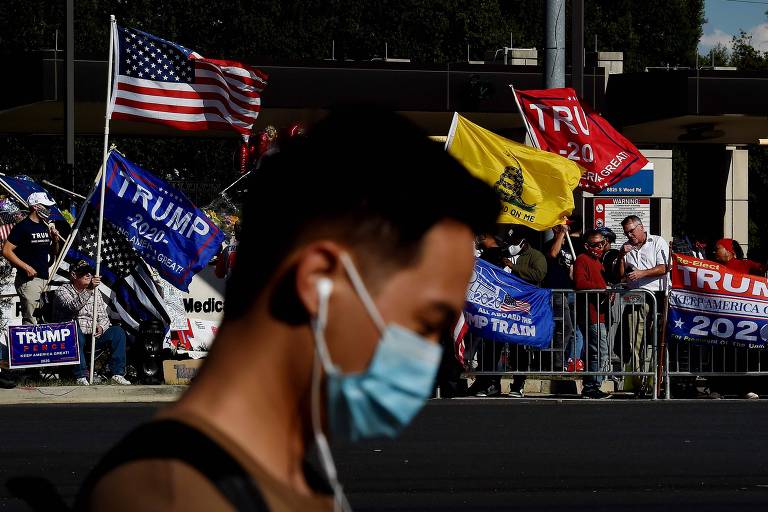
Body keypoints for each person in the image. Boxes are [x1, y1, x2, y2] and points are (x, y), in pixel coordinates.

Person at [75, 108, 499, 511]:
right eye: (423, 320)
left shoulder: (292, 480)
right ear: (319, 281)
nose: (427, 355)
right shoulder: (173, 497)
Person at [52, 260, 131, 386]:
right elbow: (72, 307)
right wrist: (88, 290)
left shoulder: (96, 292)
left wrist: (101, 327)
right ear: (73, 275)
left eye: (90, 272)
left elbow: (104, 317)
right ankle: (81, 375)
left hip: (94, 335)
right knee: (74, 331)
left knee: (118, 332)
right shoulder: (62, 290)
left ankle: (117, 374)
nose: (89, 275)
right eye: (84, 273)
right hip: (72, 336)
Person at [618, 215, 670, 393]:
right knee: (634, 341)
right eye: (626, 232)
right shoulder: (626, 248)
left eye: (632, 231)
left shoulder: (657, 242)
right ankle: (637, 381)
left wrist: (642, 274)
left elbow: (664, 267)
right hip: (635, 296)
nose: (629, 235)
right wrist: (621, 255)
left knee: (656, 341)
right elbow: (620, 275)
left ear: (641, 227)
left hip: (656, 295)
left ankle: (654, 380)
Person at [501, 225, 547, 398]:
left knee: (520, 346)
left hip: (525, 306)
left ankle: (518, 383)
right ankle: (490, 382)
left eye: (515, 241)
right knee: (501, 342)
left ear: (523, 242)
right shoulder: (506, 255)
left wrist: (514, 268)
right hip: (506, 303)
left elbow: (539, 275)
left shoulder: (536, 256)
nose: (512, 245)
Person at [2, 192, 61, 325]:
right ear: (35, 206)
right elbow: (6, 250)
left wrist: (55, 240)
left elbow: (53, 252)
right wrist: (26, 267)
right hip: (28, 281)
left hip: (44, 278)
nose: (49, 210)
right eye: (45, 206)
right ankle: (28, 346)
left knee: (44, 319)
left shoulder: (45, 226)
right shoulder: (22, 227)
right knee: (31, 320)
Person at [573, 230, 612, 399]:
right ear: (587, 245)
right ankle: (591, 386)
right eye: (596, 244)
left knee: (598, 350)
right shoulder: (582, 259)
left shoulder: (599, 261)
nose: (600, 247)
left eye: (602, 243)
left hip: (600, 312)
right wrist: (602, 289)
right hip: (591, 313)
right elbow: (580, 282)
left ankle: (592, 385)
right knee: (598, 351)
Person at [544, 221, 584, 373]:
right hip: (557, 291)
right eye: (557, 227)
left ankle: (572, 360)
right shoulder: (550, 244)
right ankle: (557, 362)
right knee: (564, 326)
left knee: (575, 328)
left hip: (573, 291)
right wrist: (560, 234)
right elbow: (553, 254)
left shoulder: (573, 245)